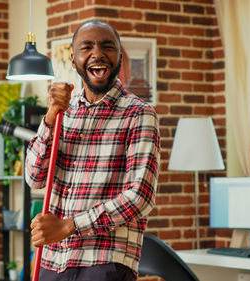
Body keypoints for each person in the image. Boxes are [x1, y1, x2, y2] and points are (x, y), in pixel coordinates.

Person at [25, 20, 160, 281]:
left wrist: (68, 226)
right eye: (86, 47)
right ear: (74, 59)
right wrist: (51, 117)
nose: (97, 54)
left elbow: (140, 197)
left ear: (120, 57)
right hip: (53, 259)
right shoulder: (64, 111)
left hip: (105, 261)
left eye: (107, 46)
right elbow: (34, 176)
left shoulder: (139, 113)